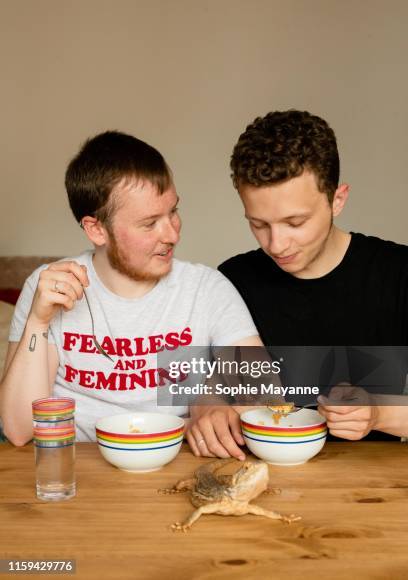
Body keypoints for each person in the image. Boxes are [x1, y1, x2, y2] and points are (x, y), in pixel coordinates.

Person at [0, 131, 262, 458]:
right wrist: (38, 323)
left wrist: (208, 399)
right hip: (79, 470)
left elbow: (263, 397)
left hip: (176, 466)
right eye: (150, 223)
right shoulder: (48, 286)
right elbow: (19, 430)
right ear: (97, 229)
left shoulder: (206, 289)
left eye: (173, 212)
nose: (172, 234)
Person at [219, 109, 408, 441]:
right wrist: (207, 408)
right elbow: (203, 390)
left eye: (295, 223)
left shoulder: (398, 273)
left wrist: (378, 413)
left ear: (337, 200)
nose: (276, 245)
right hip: (265, 479)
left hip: (376, 486)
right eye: (259, 224)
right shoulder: (230, 282)